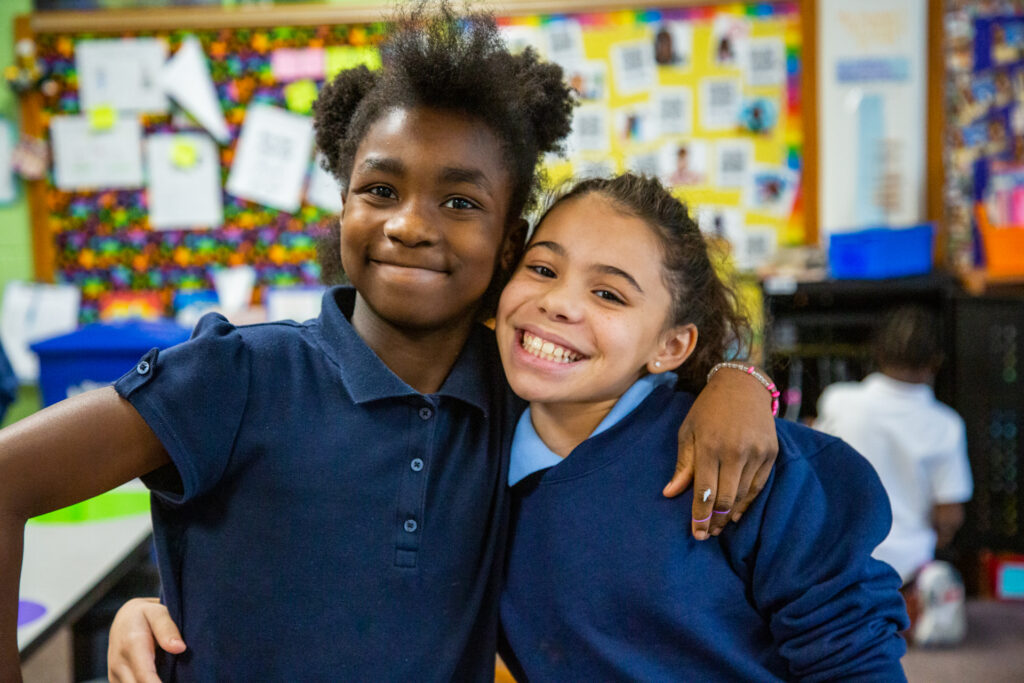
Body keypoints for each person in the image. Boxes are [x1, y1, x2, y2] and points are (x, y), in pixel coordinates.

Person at [1, 5, 779, 681]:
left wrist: (740, 382)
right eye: (381, 190)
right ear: (341, 209)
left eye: (459, 200)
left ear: (509, 244)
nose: (411, 223)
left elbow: (644, 378)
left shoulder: (522, 396)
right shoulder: (239, 374)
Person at [495, 175, 908, 679]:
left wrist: (744, 380)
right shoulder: (468, 449)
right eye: (541, 268)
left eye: (608, 294)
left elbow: (855, 659)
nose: (558, 302)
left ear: (669, 346)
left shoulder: (740, 460)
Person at [816, 306, 972, 646]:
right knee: (920, 571)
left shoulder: (839, 401)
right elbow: (950, 515)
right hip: (909, 563)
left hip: (844, 557)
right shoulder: (946, 424)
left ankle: (852, 611)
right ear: (937, 361)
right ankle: (913, 603)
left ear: (875, 352)